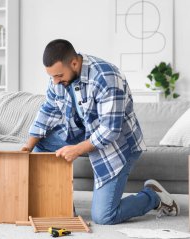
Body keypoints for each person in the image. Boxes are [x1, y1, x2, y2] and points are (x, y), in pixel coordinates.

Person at [21, 39, 179, 225]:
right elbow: (48, 110)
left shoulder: (106, 76)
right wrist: (27, 148)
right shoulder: (58, 79)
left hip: (117, 145)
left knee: (104, 217)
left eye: (59, 75)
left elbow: (110, 130)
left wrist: (77, 149)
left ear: (74, 63)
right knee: (41, 144)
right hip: (84, 135)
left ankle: (153, 197)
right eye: (52, 76)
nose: (55, 81)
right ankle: (62, 206)